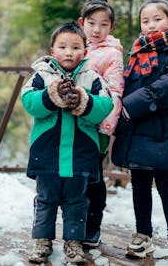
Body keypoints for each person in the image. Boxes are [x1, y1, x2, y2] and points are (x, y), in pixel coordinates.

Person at [111, 0, 168, 266]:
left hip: (167, 130)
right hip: (139, 129)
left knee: (167, 186)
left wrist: (130, 105)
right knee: (139, 184)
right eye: (145, 20)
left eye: (157, 19)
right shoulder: (136, 54)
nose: (150, 25)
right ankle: (143, 234)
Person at [21, 21, 114, 265]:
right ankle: (42, 241)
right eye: (62, 47)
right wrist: (52, 95)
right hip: (47, 152)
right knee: (46, 199)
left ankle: (74, 243)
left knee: (77, 200)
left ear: (85, 51)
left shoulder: (93, 79)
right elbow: (29, 102)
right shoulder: (40, 76)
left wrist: (83, 101)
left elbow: (105, 106)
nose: (69, 52)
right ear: (52, 51)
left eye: (75, 47)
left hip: (80, 154)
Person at [77, 0, 124, 248]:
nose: (97, 30)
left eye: (103, 25)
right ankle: (76, 224)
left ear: (111, 26)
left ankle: (93, 225)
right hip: (73, 125)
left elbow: (115, 92)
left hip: (97, 126)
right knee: (75, 176)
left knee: (93, 175)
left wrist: (105, 127)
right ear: (82, 23)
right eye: (92, 23)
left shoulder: (112, 54)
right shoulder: (75, 46)